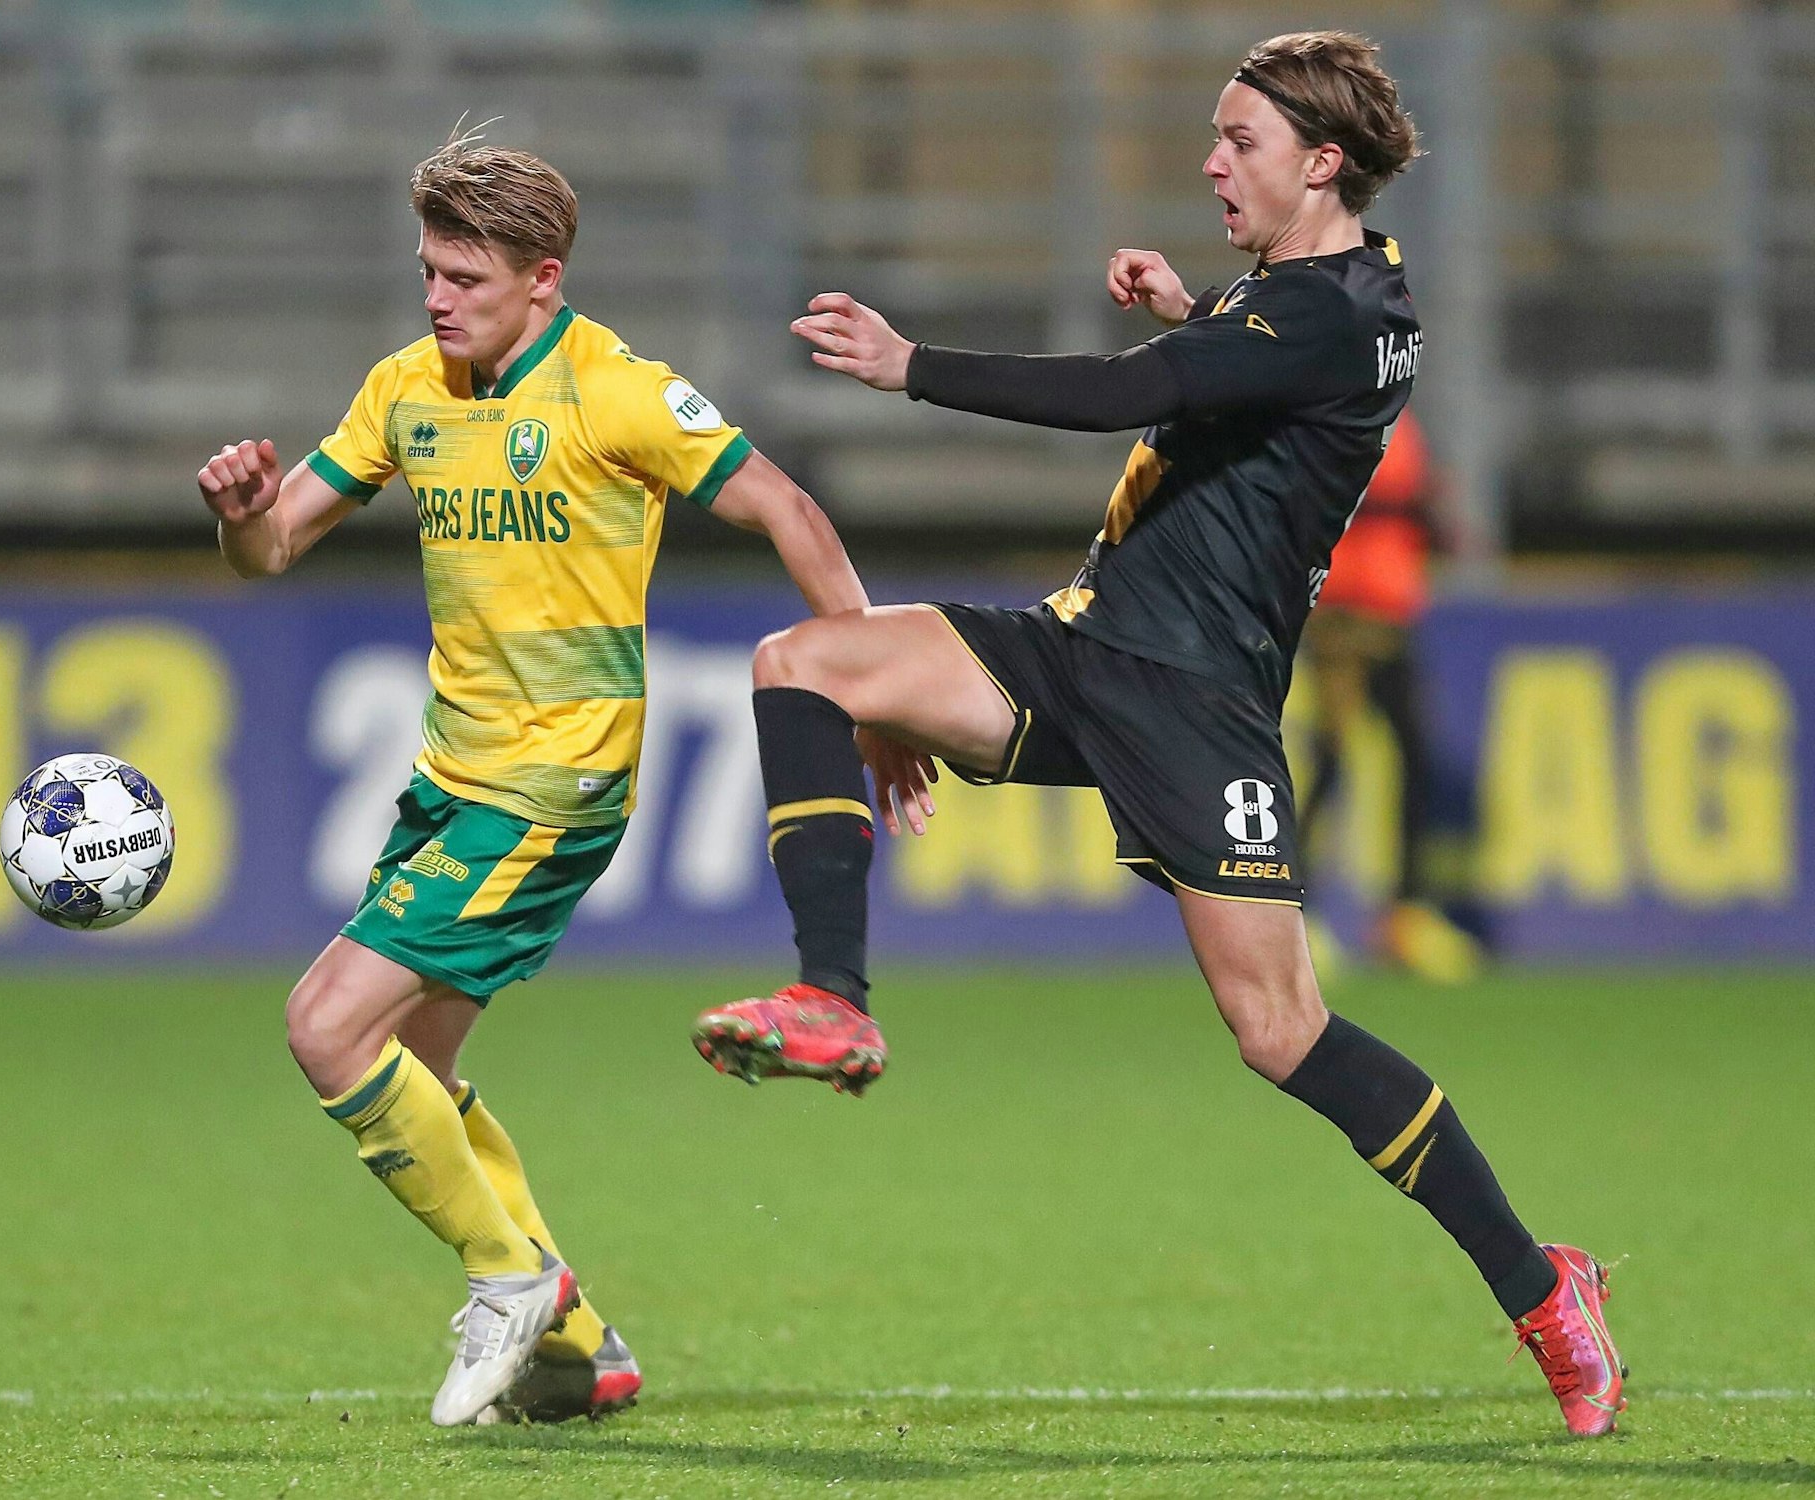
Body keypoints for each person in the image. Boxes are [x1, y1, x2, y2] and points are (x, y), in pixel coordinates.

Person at [690, 32, 1626, 1437]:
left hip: (1198, 707)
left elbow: (1132, 396)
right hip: (1081, 650)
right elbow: (1251, 387)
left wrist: (910, 366)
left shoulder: (1330, 308)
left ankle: (1543, 1284)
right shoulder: (1316, 297)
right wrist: (1194, 307)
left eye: (1237, 139)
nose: (1210, 161)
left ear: (1322, 161)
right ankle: (833, 998)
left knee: (1279, 1031)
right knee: (803, 663)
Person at [197, 130, 875, 1428]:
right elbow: (274, 545)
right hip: (451, 778)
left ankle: (508, 1273)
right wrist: (239, 513)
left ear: (543, 280)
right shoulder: (407, 386)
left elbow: (787, 509)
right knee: (415, 1073)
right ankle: (574, 1346)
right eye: (429, 272)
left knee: (326, 1025)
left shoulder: (616, 394)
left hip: (555, 785)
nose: (439, 298)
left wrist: (870, 679)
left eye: (464, 276)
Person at [1297, 407, 1485, 982]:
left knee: (1413, 757)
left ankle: (1403, 914)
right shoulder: (1326, 409)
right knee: (1330, 760)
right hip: (1340, 615)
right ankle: (1291, 915)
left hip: (1391, 612)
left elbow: (1420, 505)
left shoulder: (1403, 421)